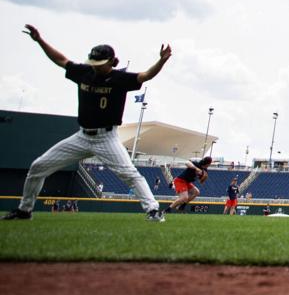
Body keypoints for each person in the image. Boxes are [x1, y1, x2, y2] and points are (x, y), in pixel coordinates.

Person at [4, 26, 169, 222]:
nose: (95, 66)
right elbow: (60, 60)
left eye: (100, 63)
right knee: (38, 167)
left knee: (130, 174)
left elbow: (146, 75)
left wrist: (161, 61)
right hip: (82, 136)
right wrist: (40, 40)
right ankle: (25, 210)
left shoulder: (119, 78)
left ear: (111, 61)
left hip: (107, 138)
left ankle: (153, 210)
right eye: (94, 62)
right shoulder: (85, 72)